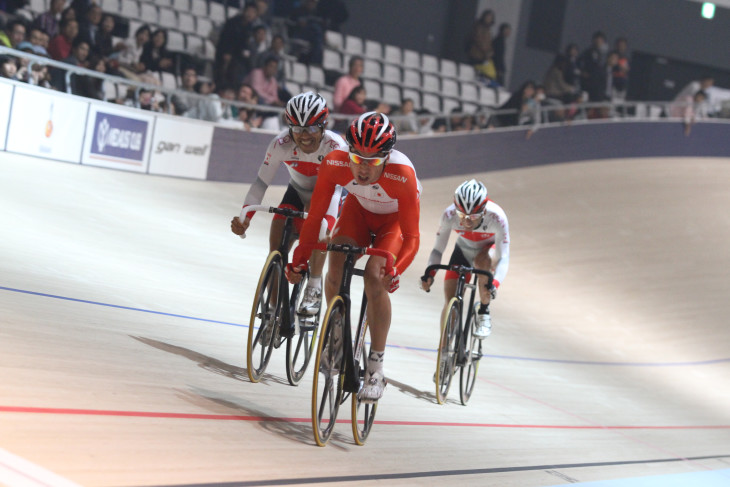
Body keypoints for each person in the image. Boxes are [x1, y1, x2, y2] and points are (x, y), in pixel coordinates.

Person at [286, 112, 421, 403]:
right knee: (335, 263)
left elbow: (412, 238)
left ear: (386, 158)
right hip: (357, 213)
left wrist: (397, 269)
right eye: (356, 159)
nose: (361, 169)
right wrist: (300, 256)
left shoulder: (403, 174)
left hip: (392, 224)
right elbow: (315, 219)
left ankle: (376, 365)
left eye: (371, 162)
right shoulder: (335, 162)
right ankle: (337, 335)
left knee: (375, 275)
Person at [230, 92, 347, 316]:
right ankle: (273, 308)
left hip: (328, 196)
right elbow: (260, 183)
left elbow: (337, 192)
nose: (304, 136)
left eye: (311, 129)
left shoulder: (335, 146)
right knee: (276, 247)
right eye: (298, 129)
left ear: (323, 127)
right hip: (297, 192)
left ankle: (313, 285)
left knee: (320, 232)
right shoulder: (280, 144)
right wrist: (245, 218)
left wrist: (328, 226)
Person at [421, 180, 509, 339]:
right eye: (462, 215)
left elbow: (503, 257)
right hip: (463, 249)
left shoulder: (497, 217)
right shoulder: (449, 215)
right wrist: (430, 274)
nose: (467, 221)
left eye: (473, 216)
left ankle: (484, 312)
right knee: (450, 299)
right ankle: (444, 350)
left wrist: (494, 283)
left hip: (488, 251)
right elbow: (437, 250)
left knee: (481, 262)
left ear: (483, 210)